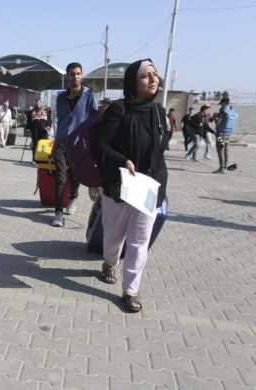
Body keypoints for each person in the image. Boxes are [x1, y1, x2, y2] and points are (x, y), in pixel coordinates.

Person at [92, 59, 170, 313]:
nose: (153, 79)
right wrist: (122, 161)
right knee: (113, 236)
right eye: (146, 76)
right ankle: (108, 263)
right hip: (120, 185)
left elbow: (161, 146)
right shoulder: (119, 110)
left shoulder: (159, 112)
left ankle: (130, 290)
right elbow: (100, 145)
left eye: (155, 75)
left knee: (139, 241)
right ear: (132, 83)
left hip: (149, 185)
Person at [51, 62, 98, 227]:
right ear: (67, 76)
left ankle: (73, 198)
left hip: (79, 144)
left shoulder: (89, 96)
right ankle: (57, 212)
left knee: (76, 176)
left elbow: (94, 119)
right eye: (72, 74)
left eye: (78, 74)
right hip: (62, 142)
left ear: (82, 75)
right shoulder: (61, 97)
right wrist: (55, 143)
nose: (75, 77)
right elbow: (60, 121)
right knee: (60, 177)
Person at [213, 97, 237, 173]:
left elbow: (218, 123)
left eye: (221, 104)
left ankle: (221, 168)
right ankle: (225, 167)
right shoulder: (231, 111)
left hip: (221, 133)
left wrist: (214, 117)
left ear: (223, 103)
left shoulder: (222, 111)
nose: (220, 106)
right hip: (228, 133)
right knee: (226, 150)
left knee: (220, 150)